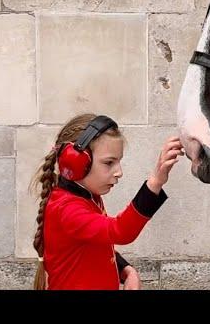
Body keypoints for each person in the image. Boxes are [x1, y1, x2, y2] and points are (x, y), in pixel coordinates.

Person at [30, 113, 184, 290]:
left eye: (118, 162)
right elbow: (120, 231)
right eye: (109, 162)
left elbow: (98, 244)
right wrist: (155, 182)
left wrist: (127, 271)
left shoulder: (88, 196)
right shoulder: (67, 209)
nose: (119, 172)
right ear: (74, 162)